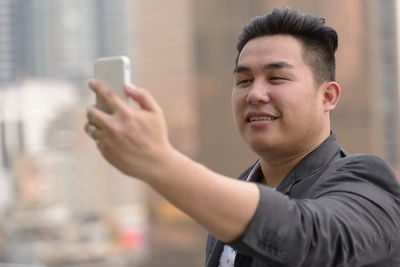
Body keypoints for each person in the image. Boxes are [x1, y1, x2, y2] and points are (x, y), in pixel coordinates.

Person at [85, 6, 400, 267]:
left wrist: (160, 161)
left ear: (328, 97)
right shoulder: (237, 193)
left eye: (276, 77)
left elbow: (308, 236)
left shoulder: (368, 182)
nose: (255, 93)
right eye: (244, 80)